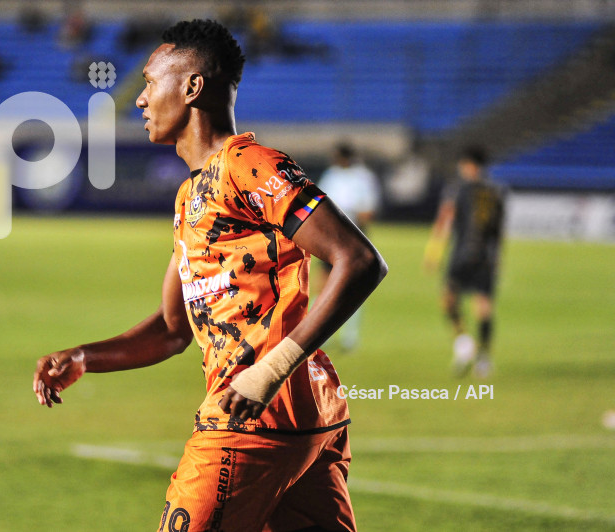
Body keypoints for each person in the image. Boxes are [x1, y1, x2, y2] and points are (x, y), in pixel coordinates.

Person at [33, 19, 387, 532]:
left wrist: (269, 370)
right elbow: (175, 328)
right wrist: (86, 357)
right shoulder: (189, 197)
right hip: (304, 415)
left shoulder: (249, 165)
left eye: (152, 83)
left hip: (254, 416)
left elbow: (359, 259)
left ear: (192, 87)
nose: (141, 99)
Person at [424, 146, 505, 378]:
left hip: (462, 254)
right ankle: (484, 359)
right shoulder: (496, 191)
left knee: (448, 298)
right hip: (487, 256)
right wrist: (498, 258)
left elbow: (445, 222)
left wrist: (433, 254)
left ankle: (463, 340)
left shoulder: (458, 189)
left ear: (468, 165)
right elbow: (498, 231)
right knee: (484, 304)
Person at [317, 142, 381, 351]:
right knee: (323, 284)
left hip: (353, 234)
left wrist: (348, 214)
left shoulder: (363, 177)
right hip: (330, 235)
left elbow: (368, 211)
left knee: (353, 285)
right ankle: (319, 333)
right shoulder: (331, 175)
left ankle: (349, 336)